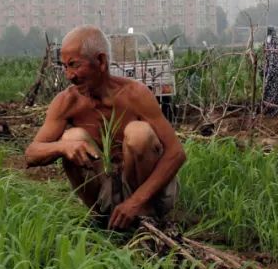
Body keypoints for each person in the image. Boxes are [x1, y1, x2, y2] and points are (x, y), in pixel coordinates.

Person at [25, 25, 186, 230]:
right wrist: (63, 148)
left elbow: (176, 153)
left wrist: (135, 202)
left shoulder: (135, 94)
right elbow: (31, 153)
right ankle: (102, 219)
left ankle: (146, 218)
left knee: (138, 133)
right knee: (71, 138)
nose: (69, 75)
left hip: (150, 196)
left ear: (100, 61)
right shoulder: (66, 102)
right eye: (64, 66)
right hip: (106, 192)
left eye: (74, 65)